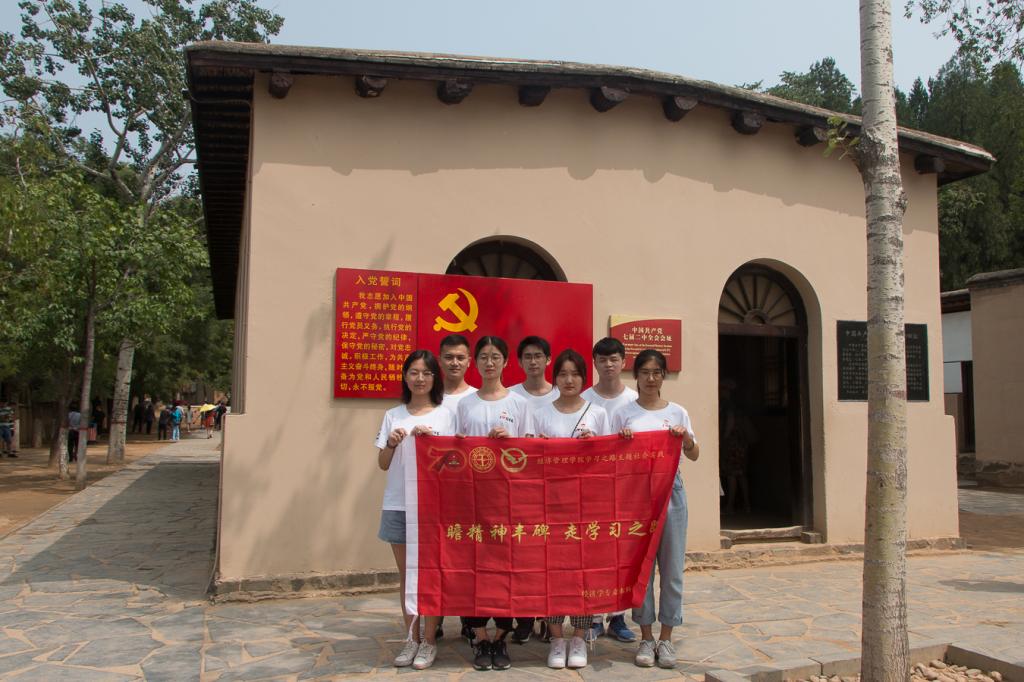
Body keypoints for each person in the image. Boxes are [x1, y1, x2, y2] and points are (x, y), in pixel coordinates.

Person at [613, 349, 699, 669]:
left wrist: (685, 439)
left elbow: (694, 453)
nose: (651, 378)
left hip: (671, 493)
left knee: (672, 570)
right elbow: (611, 459)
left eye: (656, 372)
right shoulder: (624, 414)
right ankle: (646, 638)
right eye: (645, 372)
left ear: (664, 376)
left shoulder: (677, 412)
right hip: (636, 496)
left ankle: (666, 638)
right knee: (642, 571)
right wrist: (621, 441)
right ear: (635, 375)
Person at [455, 335, 534, 672]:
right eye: (483, 357)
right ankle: (479, 636)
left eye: (495, 357)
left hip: (508, 502)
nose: (489, 363)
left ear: (505, 362)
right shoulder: (465, 404)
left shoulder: (520, 404)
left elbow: (530, 451)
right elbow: (455, 451)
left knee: (505, 571)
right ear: (475, 362)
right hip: (472, 502)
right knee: (473, 571)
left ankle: (500, 637)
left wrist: (511, 441)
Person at [375, 349, 455, 671]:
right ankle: (411, 637)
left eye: (426, 373)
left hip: (434, 507)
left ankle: (430, 640)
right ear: (405, 377)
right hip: (398, 504)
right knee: (407, 575)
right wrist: (392, 443)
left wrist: (433, 441)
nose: (420, 379)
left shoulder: (446, 415)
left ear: (435, 378)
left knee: (431, 574)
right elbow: (382, 464)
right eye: (414, 372)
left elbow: (455, 463)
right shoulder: (392, 415)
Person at [531, 349, 611, 670]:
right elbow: (529, 460)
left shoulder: (598, 413)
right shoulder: (541, 413)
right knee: (551, 572)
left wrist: (595, 446)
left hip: (585, 506)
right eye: (563, 374)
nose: (568, 380)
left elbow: (609, 461)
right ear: (555, 378)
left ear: (583, 378)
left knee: (582, 572)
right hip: (549, 506)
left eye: (575, 374)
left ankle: (578, 636)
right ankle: (556, 638)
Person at [579, 337, 639, 643]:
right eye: (602, 360)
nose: (608, 365)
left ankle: (617, 617)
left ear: (623, 361)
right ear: (595, 363)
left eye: (614, 359)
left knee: (619, 553)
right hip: (590, 491)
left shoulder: (635, 399)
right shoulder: (584, 399)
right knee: (591, 553)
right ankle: (592, 617)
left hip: (624, 489)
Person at [509, 335, 559, 409]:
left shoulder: (559, 394)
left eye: (538, 356)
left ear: (548, 359)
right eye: (528, 357)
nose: (533, 362)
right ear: (520, 362)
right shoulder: (510, 395)